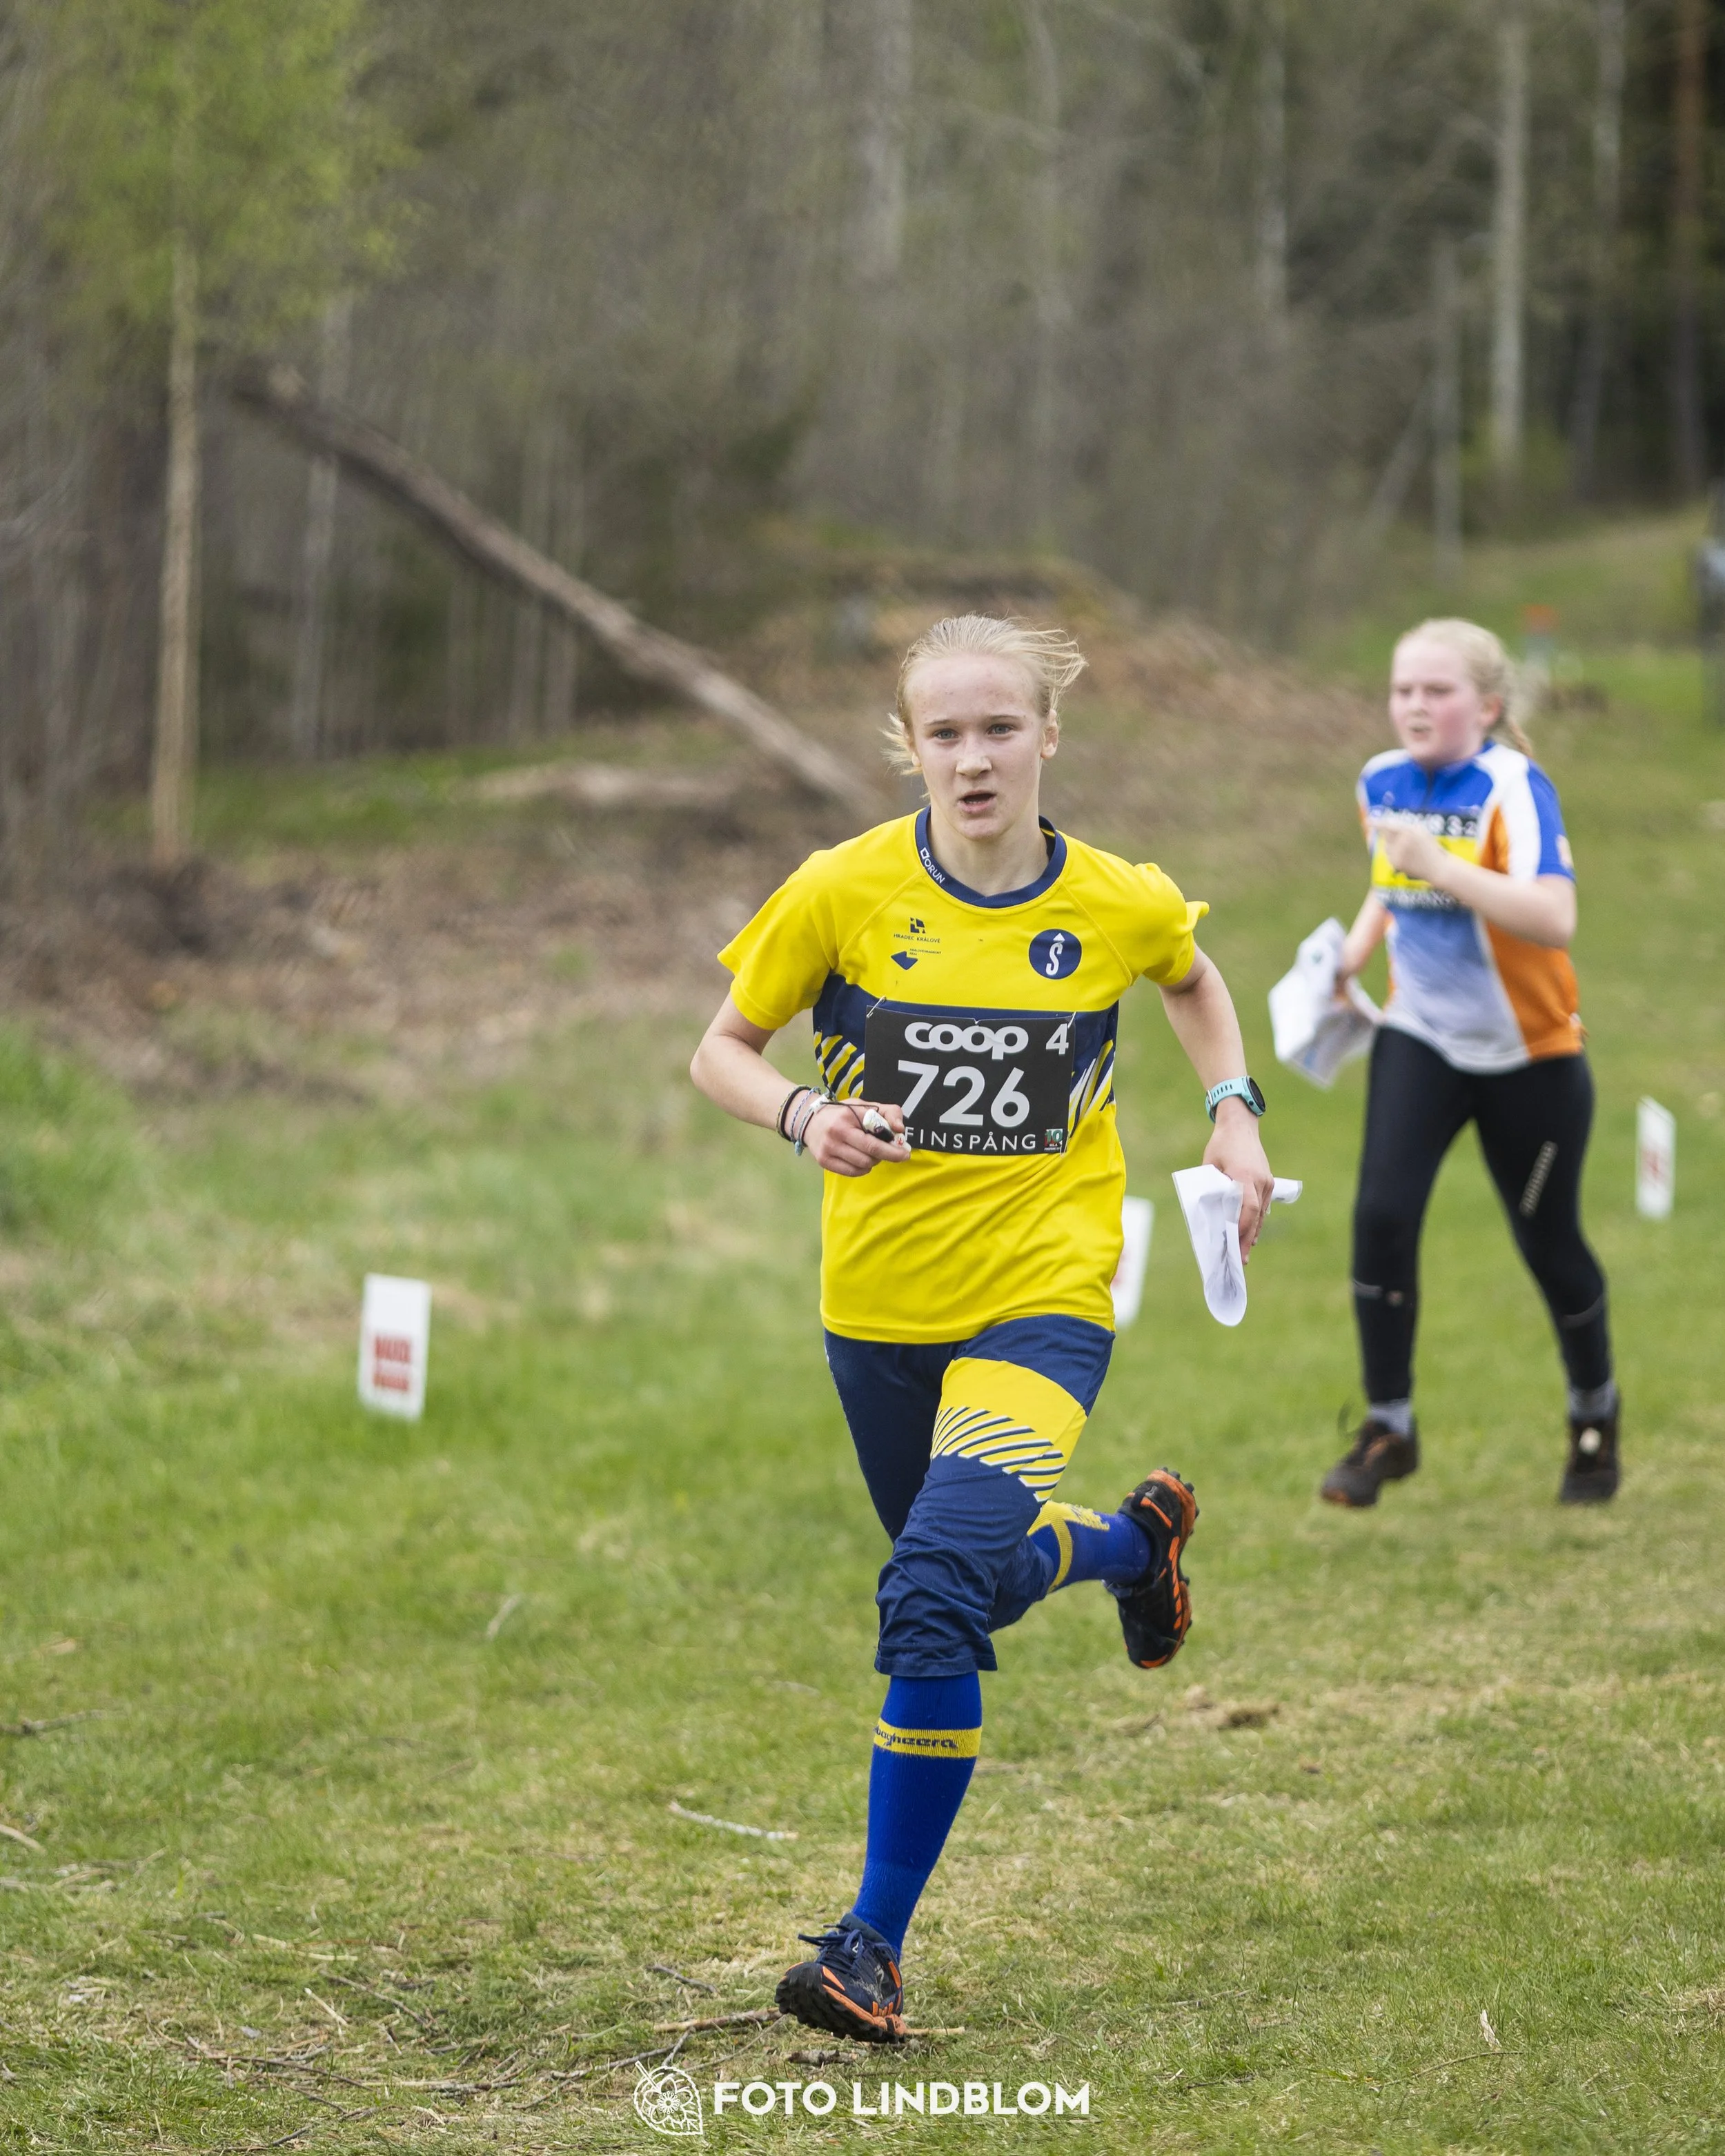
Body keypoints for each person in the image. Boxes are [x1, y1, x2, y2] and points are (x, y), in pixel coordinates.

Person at [689, 615, 1276, 2044]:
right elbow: (717, 1046)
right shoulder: (840, 889)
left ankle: (867, 1946)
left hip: (1044, 1293)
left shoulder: (1112, 898)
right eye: (942, 732)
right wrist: (801, 1115)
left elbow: (1189, 974)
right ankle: (1136, 1541)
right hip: (875, 1311)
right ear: (909, 747)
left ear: (1046, 737)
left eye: (997, 728)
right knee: (965, 1584)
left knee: (928, 1594)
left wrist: (1231, 1110)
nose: (970, 757)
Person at [1323, 617, 1618, 1511]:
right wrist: (1353, 954)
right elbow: (1390, 880)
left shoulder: (1513, 787)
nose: (1415, 704)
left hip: (1531, 1056)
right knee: (1379, 1217)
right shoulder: (1379, 777)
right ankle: (1389, 1429)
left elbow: (1553, 918)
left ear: (1486, 705)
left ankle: (1593, 1420)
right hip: (1423, 1038)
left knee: (1549, 1245)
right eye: (1402, 688)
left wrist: (1442, 868)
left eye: (1437, 690)